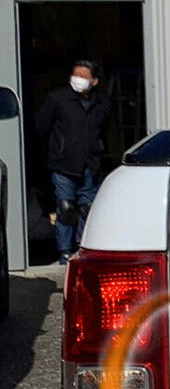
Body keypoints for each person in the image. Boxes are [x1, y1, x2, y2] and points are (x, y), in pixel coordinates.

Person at [36, 59, 110, 262]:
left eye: (83, 76)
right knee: (66, 208)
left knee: (88, 208)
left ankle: (82, 248)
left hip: (90, 164)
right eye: (75, 75)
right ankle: (65, 251)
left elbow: (103, 131)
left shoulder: (101, 103)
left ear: (94, 81)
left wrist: (99, 152)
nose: (78, 79)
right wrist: (55, 152)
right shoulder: (57, 100)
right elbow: (42, 128)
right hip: (64, 165)